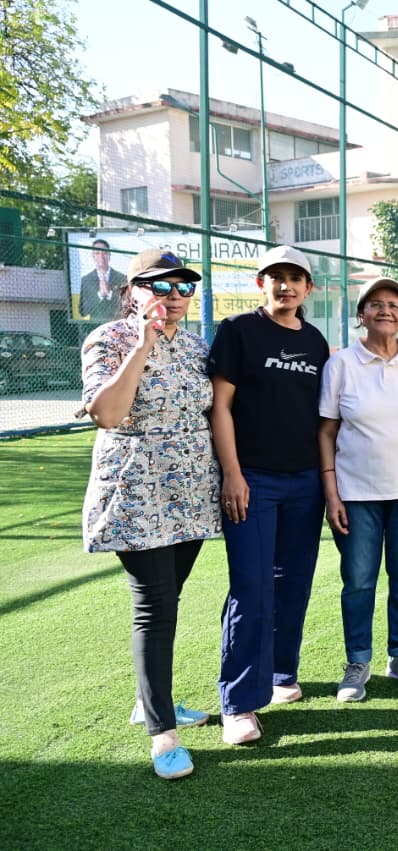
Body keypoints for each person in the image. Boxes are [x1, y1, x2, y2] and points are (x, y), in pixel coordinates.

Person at [81, 249, 219, 780]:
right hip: (137, 495)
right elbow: (107, 413)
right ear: (133, 291)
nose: (174, 296)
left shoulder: (195, 344)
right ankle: (163, 734)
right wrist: (142, 344)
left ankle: (150, 700)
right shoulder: (109, 339)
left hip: (191, 492)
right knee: (154, 607)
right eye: (160, 286)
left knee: (169, 599)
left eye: (184, 287)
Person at [209, 245, 329, 745]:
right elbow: (220, 407)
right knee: (252, 586)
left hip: (306, 483)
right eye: (275, 277)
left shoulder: (316, 341)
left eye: (295, 278)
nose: (285, 285)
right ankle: (238, 703)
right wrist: (233, 474)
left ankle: (281, 673)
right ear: (261, 283)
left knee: (293, 582)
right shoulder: (238, 330)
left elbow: (323, 420)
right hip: (252, 480)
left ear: (308, 288)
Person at [318, 276, 398, 703]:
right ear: (361, 314)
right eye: (375, 304)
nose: (385, 310)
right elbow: (326, 432)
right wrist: (332, 494)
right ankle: (357, 663)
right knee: (358, 581)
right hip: (356, 496)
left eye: (394, 304)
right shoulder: (341, 365)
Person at [79, 239, 128, 323]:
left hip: (116, 323)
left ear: (109, 255)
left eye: (104, 253)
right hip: (95, 325)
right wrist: (100, 295)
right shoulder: (86, 280)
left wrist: (110, 294)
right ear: (93, 256)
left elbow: (125, 306)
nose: (101, 256)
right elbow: (83, 311)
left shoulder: (122, 278)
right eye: (97, 253)